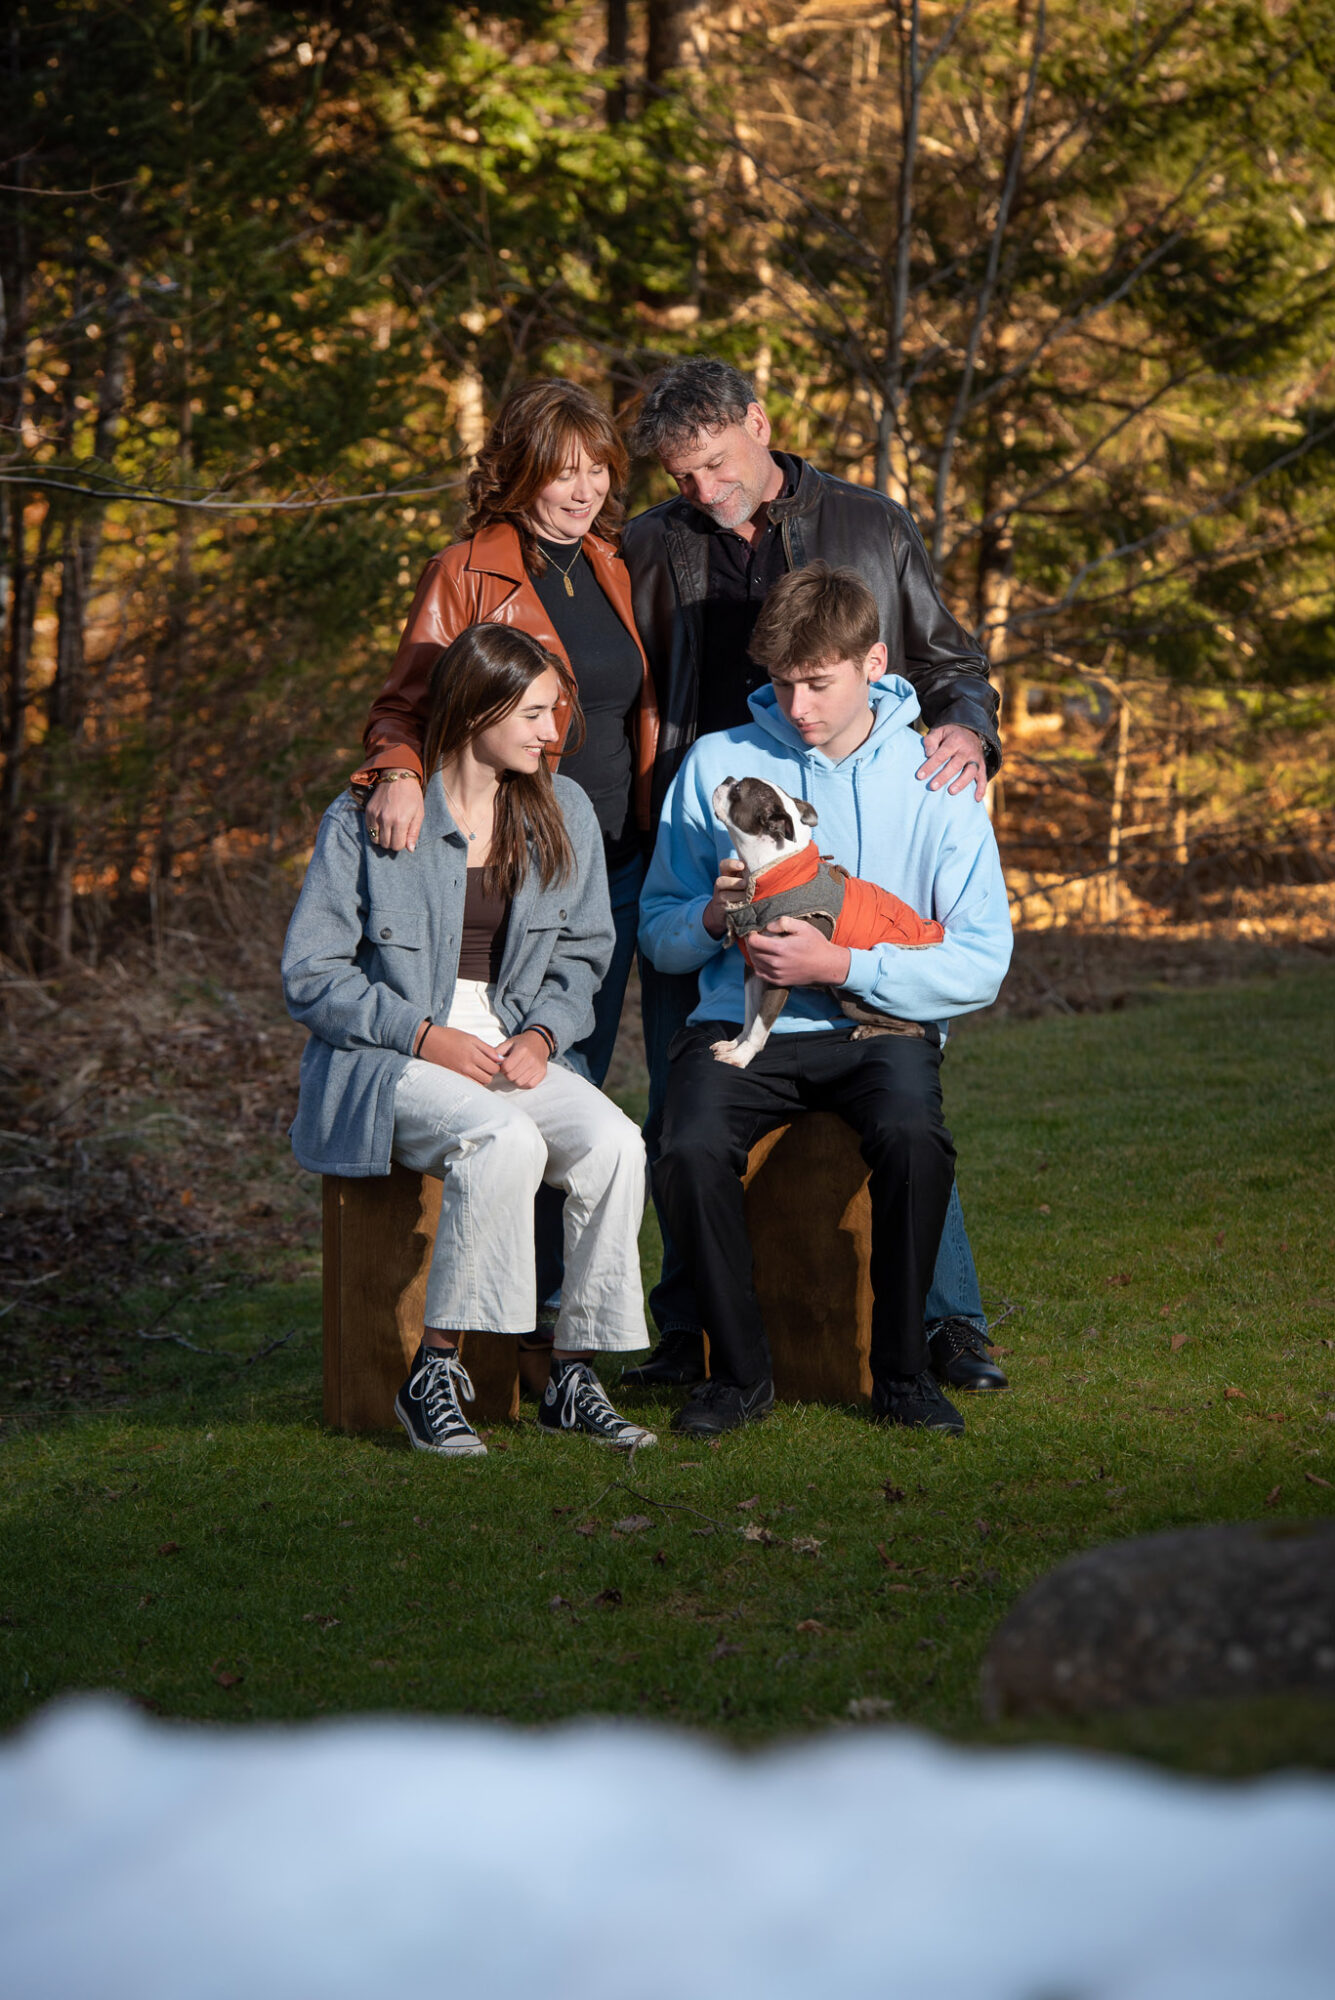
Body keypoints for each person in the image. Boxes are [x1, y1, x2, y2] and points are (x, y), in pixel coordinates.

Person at [621, 355, 1006, 1398]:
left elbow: (947, 658)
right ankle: (695, 1331)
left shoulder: (869, 523)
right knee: (687, 1105)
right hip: (710, 822)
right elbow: (619, 686)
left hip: (855, 810)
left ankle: (942, 1324)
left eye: (713, 462)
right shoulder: (650, 543)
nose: (702, 488)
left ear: (759, 421)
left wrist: (966, 729)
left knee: (900, 1088)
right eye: (679, 471)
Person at [283, 623, 654, 1458]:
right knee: (503, 1138)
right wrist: (421, 1033)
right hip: (387, 1057)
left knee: (615, 1145)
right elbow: (311, 974)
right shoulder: (366, 818)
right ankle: (436, 1373)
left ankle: (570, 1374)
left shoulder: (563, 813)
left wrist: (544, 1033)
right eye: (531, 713)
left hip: (510, 1040)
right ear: (476, 706)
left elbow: (587, 951)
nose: (550, 732)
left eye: (553, 713)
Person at [355, 378, 660, 1387]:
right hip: (520, 861)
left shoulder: (613, 566)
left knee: (566, 1077)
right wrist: (396, 772)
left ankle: (559, 1336)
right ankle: (515, 1334)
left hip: (613, 858)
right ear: (519, 468)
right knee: (522, 1090)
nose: (581, 488)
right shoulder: (468, 572)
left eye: (598, 467)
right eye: (561, 468)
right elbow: (409, 703)